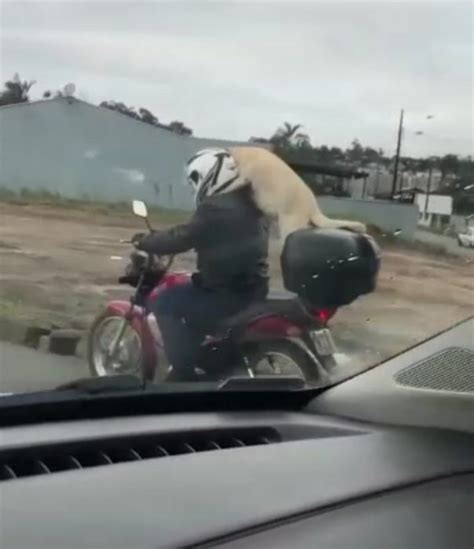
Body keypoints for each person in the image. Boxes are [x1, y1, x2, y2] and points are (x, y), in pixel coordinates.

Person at [135, 148, 270, 381]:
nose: (195, 186)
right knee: (190, 299)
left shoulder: (216, 207)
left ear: (210, 175)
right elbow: (203, 233)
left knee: (164, 302)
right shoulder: (253, 203)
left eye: (195, 179)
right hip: (254, 287)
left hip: (225, 294)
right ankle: (208, 355)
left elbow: (183, 236)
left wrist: (146, 241)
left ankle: (183, 370)